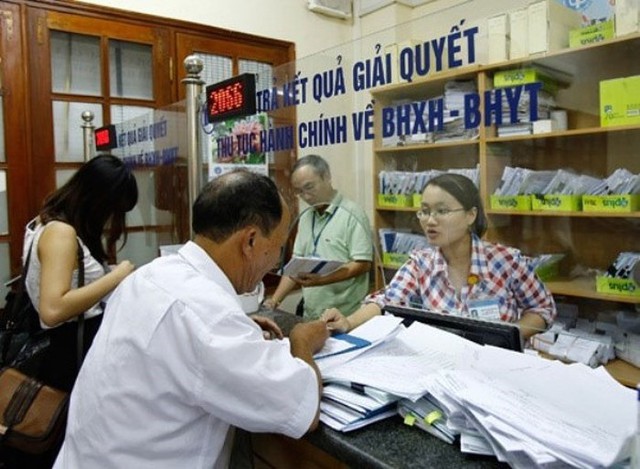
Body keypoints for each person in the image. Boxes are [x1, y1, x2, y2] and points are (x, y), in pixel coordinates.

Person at [53, 170, 329, 469]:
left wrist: (236, 327)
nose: (276, 260)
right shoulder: (207, 316)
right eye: (277, 246)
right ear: (250, 240)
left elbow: (177, 345)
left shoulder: (151, 275)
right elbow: (302, 407)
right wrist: (302, 339)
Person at [2, 154, 138, 469]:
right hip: (68, 353)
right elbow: (53, 308)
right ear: (98, 199)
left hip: (69, 349)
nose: (112, 220)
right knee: (59, 444)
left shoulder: (48, 223)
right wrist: (117, 276)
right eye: (113, 210)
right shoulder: (61, 233)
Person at [323, 173, 556, 340]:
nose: (430, 220)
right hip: (442, 368)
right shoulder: (420, 264)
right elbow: (386, 302)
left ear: (470, 215)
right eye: (424, 211)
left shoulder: (506, 261)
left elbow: (542, 309)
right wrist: (349, 322)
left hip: (496, 368)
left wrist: (510, 336)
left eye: (442, 211)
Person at [264, 154, 373, 320]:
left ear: (327, 177)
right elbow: (296, 266)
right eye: (299, 192)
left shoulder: (352, 213)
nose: (306, 196)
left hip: (345, 315)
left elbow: (362, 264)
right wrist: (274, 301)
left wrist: (322, 280)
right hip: (311, 314)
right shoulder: (307, 216)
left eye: (309, 187)